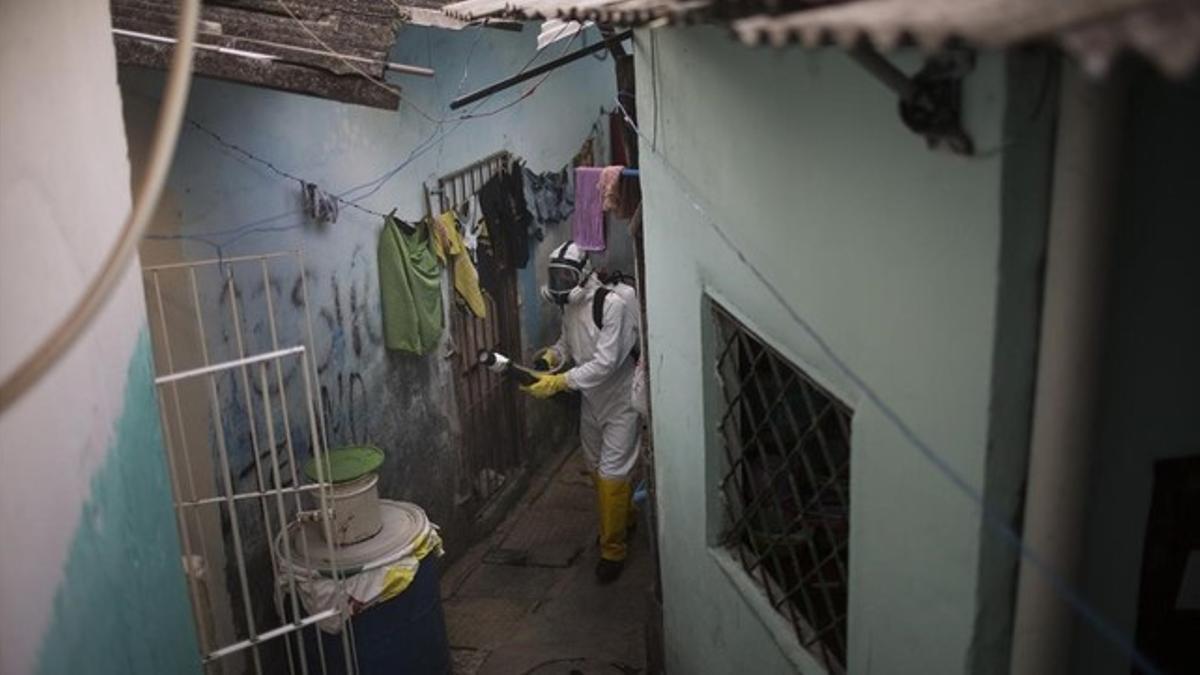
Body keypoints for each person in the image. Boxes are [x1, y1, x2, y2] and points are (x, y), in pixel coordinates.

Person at [522, 241, 641, 583]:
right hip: (590, 401)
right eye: (555, 276)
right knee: (594, 467)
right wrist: (551, 359)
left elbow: (605, 364)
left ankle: (613, 551)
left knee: (612, 472)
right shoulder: (569, 308)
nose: (559, 283)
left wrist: (559, 382)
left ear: (583, 275)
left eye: (565, 276)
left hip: (620, 401)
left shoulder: (612, 306)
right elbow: (567, 345)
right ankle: (626, 515)